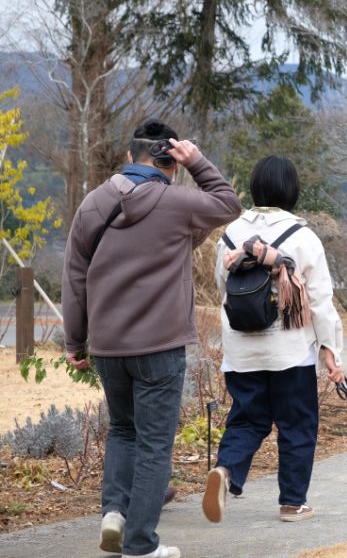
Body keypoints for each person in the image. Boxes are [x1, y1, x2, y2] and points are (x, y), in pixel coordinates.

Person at [62, 119, 242, 558]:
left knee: (123, 431)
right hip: (159, 347)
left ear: (129, 156)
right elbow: (228, 203)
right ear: (172, 162)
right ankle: (141, 545)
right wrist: (197, 160)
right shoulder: (178, 201)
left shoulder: (94, 202)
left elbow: (75, 275)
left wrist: (74, 341)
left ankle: (114, 514)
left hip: (107, 346)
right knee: (154, 444)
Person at [202, 155, 345, 525]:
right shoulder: (303, 237)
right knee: (296, 425)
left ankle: (226, 470)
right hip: (291, 352)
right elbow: (320, 302)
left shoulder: (232, 235)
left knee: (247, 420)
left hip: (241, 352)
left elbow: (224, 288)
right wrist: (331, 350)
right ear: (292, 191)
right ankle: (292, 503)